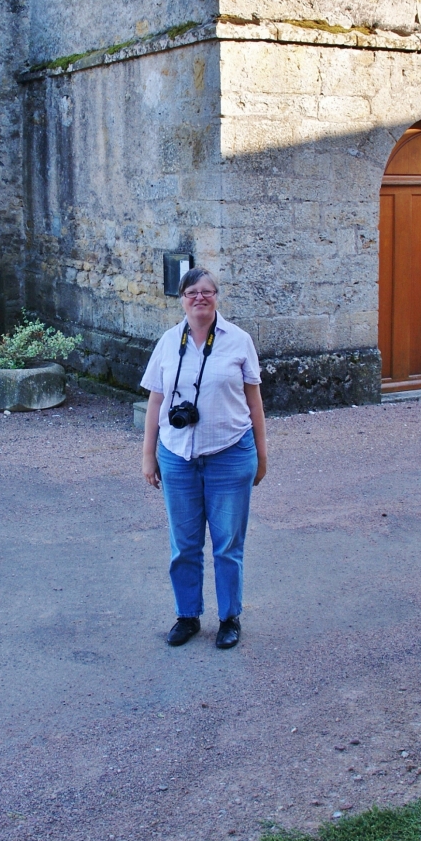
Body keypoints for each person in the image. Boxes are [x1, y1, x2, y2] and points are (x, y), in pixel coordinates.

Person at [140, 267, 267, 649]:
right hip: (177, 456)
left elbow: (254, 401)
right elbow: (155, 401)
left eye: (207, 291)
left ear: (217, 296)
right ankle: (187, 615)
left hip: (229, 454)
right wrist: (148, 455)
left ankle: (230, 618)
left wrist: (262, 454)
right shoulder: (167, 342)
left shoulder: (239, 341)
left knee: (228, 543)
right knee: (185, 543)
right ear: (181, 299)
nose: (200, 298)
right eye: (191, 292)